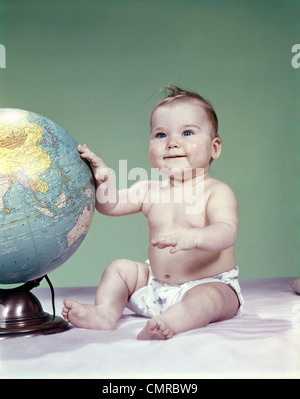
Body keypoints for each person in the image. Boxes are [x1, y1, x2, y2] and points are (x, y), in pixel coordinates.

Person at [62, 85, 244, 340]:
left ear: (214, 148)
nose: (172, 143)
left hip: (209, 282)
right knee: (119, 269)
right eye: (160, 135)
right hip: (155, 286)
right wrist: (104, 179)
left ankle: (171, 322)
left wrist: (194, 238)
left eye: (187, 132)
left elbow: (227, 231)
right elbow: (109, 205)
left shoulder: (216, 191)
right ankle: (105, 313)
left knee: (208, 299)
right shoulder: (149, 190)